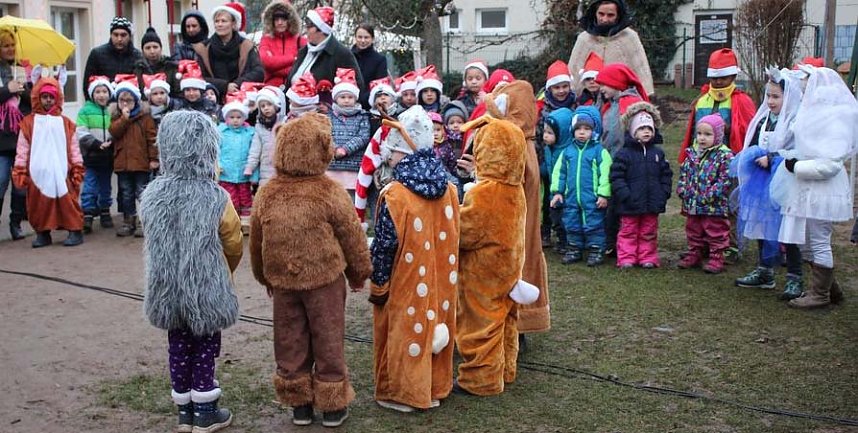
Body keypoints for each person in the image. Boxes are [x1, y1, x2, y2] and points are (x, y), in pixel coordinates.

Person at [250, 113, 371, 428]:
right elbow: (352, 235)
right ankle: (331, 403)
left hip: (284, 282)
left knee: (290, 338)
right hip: (325, 280)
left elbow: (256, 240)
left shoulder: (267, 192)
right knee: (328, 335)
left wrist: (264, 275)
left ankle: (299, 402)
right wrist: (359, 272)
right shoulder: (328, 191)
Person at [140, 110, 242, 433]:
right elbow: (233, 240)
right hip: (206, 287)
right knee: (205, 348)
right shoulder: (217, 197)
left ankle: (183, 412)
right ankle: (205, 412)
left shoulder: (151, 195)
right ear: (207, 150)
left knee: (178, 346)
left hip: (167, 286)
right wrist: (226, 271)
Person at [369, 105, 459, 412]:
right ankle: (433, 387)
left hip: (406, 283)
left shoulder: (394, 195)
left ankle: (403, 393)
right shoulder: (449, 189)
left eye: (392, 151)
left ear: (402, 152)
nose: (388, 157)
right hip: (441, 282)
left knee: (405, 331)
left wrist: (378, 285)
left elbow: (383, 246)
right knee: (437, 328)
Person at [454, 115, 537, 396]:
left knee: (481, 324)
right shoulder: (515, 189)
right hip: (509, 266)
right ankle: (505, 369)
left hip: (484, 269)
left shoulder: (487, 192)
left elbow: (467, 232)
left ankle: (481, 379)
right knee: (506, 319)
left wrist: (451, 216)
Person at [774, 67, 856, 309]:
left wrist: (797, 166)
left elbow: (831, 163)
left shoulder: (835, 119)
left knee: (819, 240)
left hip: (823, 190)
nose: (802, 87)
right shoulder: (813, 113)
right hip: (806, 188)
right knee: (805, 241)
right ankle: (830, 289)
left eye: (806, 83)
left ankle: (820, 294)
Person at [733, 68, 804, 299]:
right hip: (763, 180)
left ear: (788, 97)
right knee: (762, 223)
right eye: (768, 96)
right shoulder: (764, 120)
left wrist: (773, 158)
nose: (771, 101)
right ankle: (765, 271)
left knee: (787, 229)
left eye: (776, 96)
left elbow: (799, 150)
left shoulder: (795, 121)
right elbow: (753, 141)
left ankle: (795, 277)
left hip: (786, 180)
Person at [12, 75, 85, 248]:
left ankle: (74, 229)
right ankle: (42, 232)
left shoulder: (66, 123)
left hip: (62, 171)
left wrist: (77, 167)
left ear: (57, 98)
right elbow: (22, 150)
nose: (48, 101)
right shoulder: (28, 123)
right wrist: (20, 170)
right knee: (39, 205)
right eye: (44, 97)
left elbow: (74, 148)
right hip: (38, 173)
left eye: (52, 97)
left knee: (68, 202)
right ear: (37, 97)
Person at [610, 102, 672, 268]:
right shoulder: (624, 154)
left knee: (648, 232)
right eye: (642, 128)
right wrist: (625, 195)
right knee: (628, 231)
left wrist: (663, 192)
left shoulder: (658, 154)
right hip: (629, 203)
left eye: (649, 128)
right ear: (632, 131)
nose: (646, 132)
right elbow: (616, 176)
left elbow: (666, 175)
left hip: (651, 203)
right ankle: (627, 257)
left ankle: (647, 257)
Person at [550, 106, 611, 266]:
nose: (582, 132)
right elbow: (560, 172)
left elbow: (605, 174)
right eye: (578, 129)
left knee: (594, 224)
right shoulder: (568, 152)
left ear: (594, 130)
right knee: (571, 223)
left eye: (586, 129)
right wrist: (557, 192)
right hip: (571, 198)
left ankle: (596, 250)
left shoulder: (600, 152)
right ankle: (574, 248)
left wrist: (603, 194)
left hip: (592, 199)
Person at [676, 114, 733, 274]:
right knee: (693, 228)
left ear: (718, 135)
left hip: (713, 205)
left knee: (715, 230)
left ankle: (716, 256)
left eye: (708, 134)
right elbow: (685, 172)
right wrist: (682, 188)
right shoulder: (693, 154)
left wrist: (710, 194)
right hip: (693, 201)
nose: (702, 138)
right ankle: (695, 252)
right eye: (699, 134)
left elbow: (725, 179)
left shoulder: (724, 156)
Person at [679, 48, 756, 162]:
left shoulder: (742, 101)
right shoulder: (702, 100)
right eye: (715, 78)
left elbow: (749, 133)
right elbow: (692, 133)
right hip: (701, 158)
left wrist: (729, 129)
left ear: (733, 76)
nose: (719, 82)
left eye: (724, 78)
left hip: (728, 159)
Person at [567, 0, 653, 96]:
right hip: (589, 99)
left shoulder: (629, 37)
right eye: (601, 14)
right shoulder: (584, 39)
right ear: (594, 12)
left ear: (618, 15)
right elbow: (573, 72)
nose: (604, 19)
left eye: (610, 15)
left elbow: (641, 69)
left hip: (622, 98)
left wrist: (646, 96)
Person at [110, 77, 158, 238]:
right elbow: (114, 132)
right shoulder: (117, 118)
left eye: (129, 100)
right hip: (123, 163)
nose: (125, 104)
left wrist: (153, 159)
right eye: (122, 100)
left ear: (136, 101)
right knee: (126, 193)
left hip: (141, 163)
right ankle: (128, 221)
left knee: (141, 192)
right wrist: (124, 118)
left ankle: (143, 221)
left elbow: (152, 140)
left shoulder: (145, 118)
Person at [288, 6, 364, 107]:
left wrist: (330, 105)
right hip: (294, 112)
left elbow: (356, 87)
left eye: (309, 26)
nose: (306, 30)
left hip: (322, 117)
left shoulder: (341, 54)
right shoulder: (304, 51)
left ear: (321, 30)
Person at [537, 61, 576, 247]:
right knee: (546, 198)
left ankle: (566, 233)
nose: (561, 91)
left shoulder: (575, 105)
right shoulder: (543, 109)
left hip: (568, 158)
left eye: (564, 86)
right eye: (557, 87)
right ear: (549, 89)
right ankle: (545, 230)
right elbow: (538, 135)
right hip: (547, 158)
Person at [193, 2, 264, 102]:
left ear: (233, 24)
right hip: (212, 99)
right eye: (217, 21)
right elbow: (199, 76)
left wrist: (237, 84)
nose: (219, 24)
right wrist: (225, 86)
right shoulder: (203, 48)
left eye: (223, 21)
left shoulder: (246, 46)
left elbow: (258, 72)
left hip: (242, 98)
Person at [0, 29, 31, 240]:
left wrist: (25, 89)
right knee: (1, 181)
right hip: (2, 138)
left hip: (20, 136)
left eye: (12, 45)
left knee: (20, 185)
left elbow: (32, 101)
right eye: (5, 45)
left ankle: (16, 223)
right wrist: (8, 90)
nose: (10, 49)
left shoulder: (21, 68)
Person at [76, 76, 115, 233]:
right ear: (92, 94)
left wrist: (111, 142)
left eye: (104, 91)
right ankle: (88, 214)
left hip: (107, 157)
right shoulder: (85, 110)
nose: (101, 95)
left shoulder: (112, 110)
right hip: (91, 156)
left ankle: (105, 211)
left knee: (106, 186)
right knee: (90, 186)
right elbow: (81, 132)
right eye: (97, 92)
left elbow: (116, 129)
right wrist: (97, 144)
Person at [327, 68, 370, 196]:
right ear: (336, 99)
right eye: (342, 97)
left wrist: (345, 149)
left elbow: (363, 136)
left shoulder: (362, 116)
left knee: (350, 200)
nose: (346, 100)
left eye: (350, 97)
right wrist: (333, 149)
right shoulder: (328, 116)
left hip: (354, 166)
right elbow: (324, 135)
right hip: (332, 166)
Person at [218, 93, 256, 234]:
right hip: (226, 173)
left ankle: (245, 223)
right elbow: (216, 150)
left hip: (243, 173)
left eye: (238, 117)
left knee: (245, 199)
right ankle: (231, 223)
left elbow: (253, 152)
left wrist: (253, 172)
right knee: (230, 199)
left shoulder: (249, 133)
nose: (235, 120)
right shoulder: (221, 132)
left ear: (244, 118)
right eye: (232, 117)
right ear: (226, 118)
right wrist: (217, 165)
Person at [83, 17, 144, 100]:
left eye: (123, 35)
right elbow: (87, 84)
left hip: (129, 105)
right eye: (116, 35)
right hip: (102, 106)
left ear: (129, 36)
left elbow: (142, 85)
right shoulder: (97, 54)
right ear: (111, 35)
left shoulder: (138, 56)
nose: (119, 39)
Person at [540, 107, 573, 253]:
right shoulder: (549, 149)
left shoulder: (567, 151)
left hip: (566, 192)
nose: (545, 136)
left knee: (566, 218)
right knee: (556, 217)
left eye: (550, 133)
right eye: (545, 132)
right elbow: (547, 167)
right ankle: (561, 239)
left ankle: (569, 242)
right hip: (553, 191)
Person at [259, 0, 306, 90]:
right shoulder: (266, 39)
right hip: (271, 90)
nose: (280, 22)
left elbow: (304, 66)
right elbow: (266, 62)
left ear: (290, 20)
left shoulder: (300, 40)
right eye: (276, 19)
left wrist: (274, 69)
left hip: (295, 89)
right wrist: (294, 58)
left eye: (283, 19)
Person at [244, 86, 283, 187]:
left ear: (275, 105)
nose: (266, 108)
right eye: (262, 106)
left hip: (282, 167)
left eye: (269, 104)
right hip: (266, 168)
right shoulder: (259, 127)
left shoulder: (284, 123)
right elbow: (255, 149)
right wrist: (250, 166)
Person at [135, 27, 180, 99]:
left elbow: (179, 94)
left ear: (161, 48)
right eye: (148, 48)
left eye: (155, 47)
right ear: (142, 51)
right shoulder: (138, 69)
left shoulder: (171, 67)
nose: (152, 51)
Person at [352, 24, 389, 110]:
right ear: (355, 38)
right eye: (360, 37)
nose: (363, 40)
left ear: (372, 39)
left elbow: (379, 84)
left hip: (369, 104)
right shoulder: (348, 56)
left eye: (366, 37)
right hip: (348, 102)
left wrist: (362, 100)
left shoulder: (379, 59)